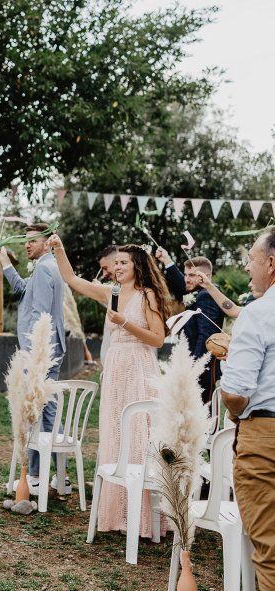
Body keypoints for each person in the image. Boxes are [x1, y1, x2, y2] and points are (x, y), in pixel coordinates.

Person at [48, 235, 170, 539]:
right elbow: (71, 279)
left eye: (123, 262)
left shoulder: (148, 295)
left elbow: (158, 339)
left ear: (137, 265)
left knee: (139, 433)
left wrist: (124, 323)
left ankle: (142, 517)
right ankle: (116, 514)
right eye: (115, 262)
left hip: (140, 366)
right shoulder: (111, 292)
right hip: (116, 368)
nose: (116, 266)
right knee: (115, 432)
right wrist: (60, 249)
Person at [219, 228, 275, 589]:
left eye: (251, 260)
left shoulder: (259, 313)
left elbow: (235, 391)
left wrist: (236, 411)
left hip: (266, 440)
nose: (248, 268)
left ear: (271, 264)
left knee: (271, 551)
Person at [0, 223, 67, 491]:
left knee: (39, 409)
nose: (27, 245)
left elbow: (40, 315)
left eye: (33, 241)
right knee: (46, 409)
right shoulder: (47, 267)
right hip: (48, 348)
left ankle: (37, 475)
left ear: (47, 243)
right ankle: (60, 475)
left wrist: (33, 352)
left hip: (41, 351)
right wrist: (5, 263)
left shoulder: (45, 269)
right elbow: (23, 289)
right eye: (25, 241)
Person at [155, 248, 225, 405]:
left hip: (202, 367)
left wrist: (194, 368)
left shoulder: (207, 295)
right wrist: (167, 260)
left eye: (192, 275)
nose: (187, 279)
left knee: (203, 415)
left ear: (206, 277)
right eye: (186, 274)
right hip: (193, 363)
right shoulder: (199, 292)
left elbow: (206, 335)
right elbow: (182, 285)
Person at [97, 245, 118, 367]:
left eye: (106, 268)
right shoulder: (115, 289)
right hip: (109, 362)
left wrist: (98, 289)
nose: (104, 273)